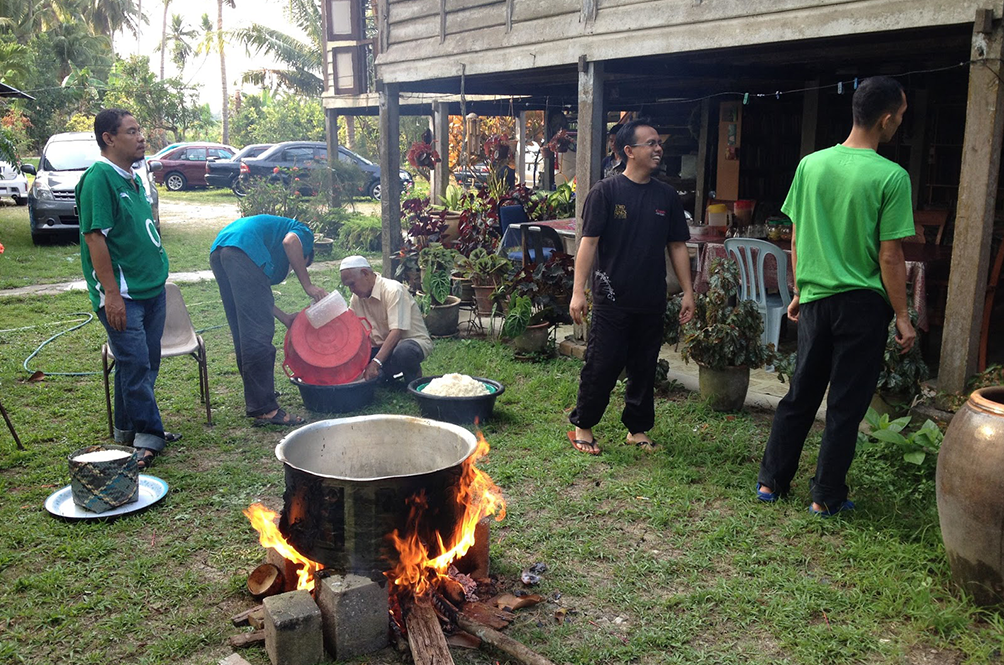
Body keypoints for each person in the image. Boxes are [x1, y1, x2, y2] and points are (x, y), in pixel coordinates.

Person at [756, 76, 916, 516]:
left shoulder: (811, 165)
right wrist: (902, 315)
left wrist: (800, 288)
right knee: (845, 403)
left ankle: (771, 482)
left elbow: (797, 235)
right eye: (900, 117)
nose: (900, 124)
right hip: (862, 305)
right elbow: (890, 256)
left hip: (816, 299)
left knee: (801, 392)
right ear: (885, 120)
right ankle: (825, 497)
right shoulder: (892, 177)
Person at [567, 119, 695, 455]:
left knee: (644, 366)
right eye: (650, 143)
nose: (658, 149)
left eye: (658, 143)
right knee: (603, 363)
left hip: (651, 298)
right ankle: (583, 425)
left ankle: (637, 429)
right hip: (611, 298)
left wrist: (688, 291)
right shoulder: (605, 192)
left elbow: (678, 245)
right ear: (629, 151)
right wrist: (578, 291)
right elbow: (588, 244)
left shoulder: (665, 195)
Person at [76, 108, 178, 470]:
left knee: (143, 363)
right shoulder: (99, 179)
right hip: (125, 295)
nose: (141, 137)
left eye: (140, 131)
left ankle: (126, 429)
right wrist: (112, 294)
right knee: (135, 365)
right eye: (132, 131)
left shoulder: (132, 177)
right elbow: (94, 238)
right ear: (109, 138)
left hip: (151, 288)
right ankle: (150, 437)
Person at [210, 214, 326, 426]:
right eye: (300, 263)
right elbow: (290, 242)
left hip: (221, 249)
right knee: (258, 334)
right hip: (244, 248)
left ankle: (258, 395)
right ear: (306, 253)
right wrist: (308, 285)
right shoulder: (302, 232)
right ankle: (266, 409)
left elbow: (258, 298)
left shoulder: (267, 249)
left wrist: (285, 318)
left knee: (242, 329)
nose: (292, 267)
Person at [339, 255, 433, 386]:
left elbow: (397, 332)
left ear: (365, 274)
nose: (351, 290)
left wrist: (376, 363)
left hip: (409, 342)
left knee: (404, 352)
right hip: (380, 348)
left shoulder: (393, 290)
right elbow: (353, 331)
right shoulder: (356, 299)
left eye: (352, 284)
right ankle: (385, 374)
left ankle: (414, 380)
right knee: (357, 364)